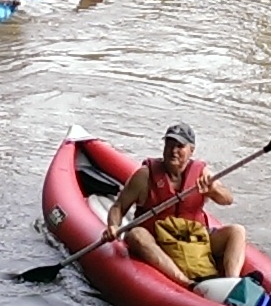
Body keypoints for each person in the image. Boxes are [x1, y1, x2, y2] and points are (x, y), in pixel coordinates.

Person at [101, 123, 247, 288]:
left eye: (179, 146)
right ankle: (186, 283)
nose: (173, 150)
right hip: (157, 240)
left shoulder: (201, 173)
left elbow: (227, 200)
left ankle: (232, 283)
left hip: (194, 241)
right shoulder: (145, 175)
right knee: (136, 234)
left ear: (191, 150)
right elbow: (118, 207)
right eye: (169, 145)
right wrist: (113, 226)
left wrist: (213, 189)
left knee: (237, 231)